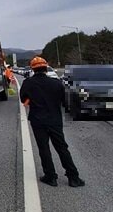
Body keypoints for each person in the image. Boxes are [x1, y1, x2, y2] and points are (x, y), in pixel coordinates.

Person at [20, 57, 85, 188]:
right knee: (62, 148)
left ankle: (50, 176)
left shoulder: (28, 83)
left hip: (37, 120)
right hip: (54, 119)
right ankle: (73, 177)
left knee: (44, 149)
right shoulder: (56, 83)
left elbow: (23, 99)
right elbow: (65, 102)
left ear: (33, 69)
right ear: (45, 68)